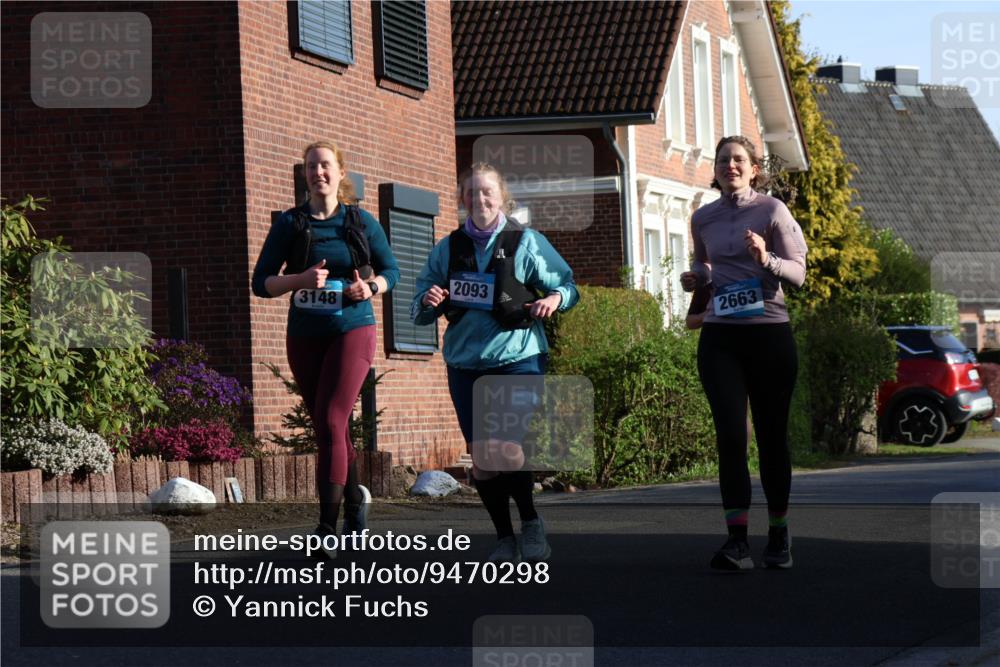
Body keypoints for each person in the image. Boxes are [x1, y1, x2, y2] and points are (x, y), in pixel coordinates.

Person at [411, 162, 578, 564]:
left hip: (517, 357)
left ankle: (532, 522)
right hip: (465, 364)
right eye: (472, 193)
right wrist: (429, 302)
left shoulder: (526, 242)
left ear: (502, 196)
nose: (480, 199)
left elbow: (567, 285)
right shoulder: (448, 249)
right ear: (462, 199)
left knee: (504, 445)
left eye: (488, 192)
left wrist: (553, 300)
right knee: (483, 457)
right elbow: (419, 307)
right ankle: (504, 536)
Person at [252, 141, 399, 559]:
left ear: (340, 173)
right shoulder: (289, 224)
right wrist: (298, 280)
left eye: (326, 166)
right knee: (329, 427)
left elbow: (393, 270)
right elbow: (261, 282)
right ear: (305, 175)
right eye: (312, 167)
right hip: (304, 335)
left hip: (353, 329)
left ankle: (325, 529)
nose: (319, 173)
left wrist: (369, 287)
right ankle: (355, 505)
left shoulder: (360, 221)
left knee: (334, 418)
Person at [680, 135, 807, 571]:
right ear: (714, 170)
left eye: (738, 160)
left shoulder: (772, 210)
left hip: (769, 337)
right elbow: (704, 265)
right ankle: (737, 541)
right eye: (722, 161)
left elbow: (799, 273)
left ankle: (779, 533)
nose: (729, 166)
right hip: (721, 338)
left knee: (771, 439)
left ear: (754, 168)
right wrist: (696, 279)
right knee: (731, 438)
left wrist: (766, 258)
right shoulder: (703, 217)